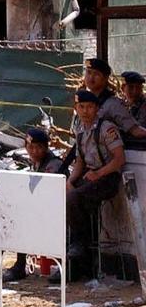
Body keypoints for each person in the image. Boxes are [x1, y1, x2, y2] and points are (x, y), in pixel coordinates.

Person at [66, 89, 125, 279]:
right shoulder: (80, 131)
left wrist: (99, 173)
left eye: (89, 107)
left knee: (75, 198)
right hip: (90, 176)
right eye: (81, 107)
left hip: (108, 177)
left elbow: (119, 160)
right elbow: (80, 163)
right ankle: (77, 264)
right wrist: (70, 180)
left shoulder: (106, 128)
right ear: (76, 108)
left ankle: (80, 245)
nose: (85, 111)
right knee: (67, 196)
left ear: (97, 109)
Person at [2, 128, 64, 280]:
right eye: (30, 147)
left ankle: (20, 265)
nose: (34, 151)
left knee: (22, 217)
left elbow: (43, 191)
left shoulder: (53, 164)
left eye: (38, 147)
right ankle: (5, 261)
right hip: (39, 211)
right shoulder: (36, 163)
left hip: (54, 215)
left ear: (46, 148)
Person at [76, 58, 146, 139]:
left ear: (105, 78)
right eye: (88, 72)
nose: (91, 77)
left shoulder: (112, 104)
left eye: (96, 74)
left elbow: (136, 131)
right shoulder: (83, 101)